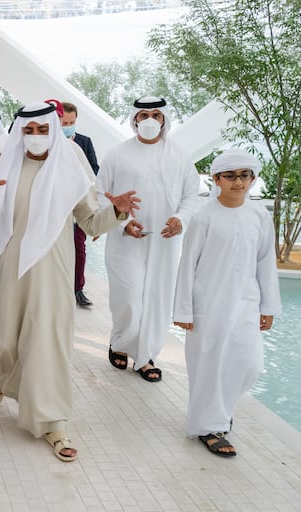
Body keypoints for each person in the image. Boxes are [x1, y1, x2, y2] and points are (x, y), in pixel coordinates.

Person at [0, 102, 139, 462]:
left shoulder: (71, 164)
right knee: (5, 338)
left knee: (46, 342)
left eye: (41, 130)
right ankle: (3, 379)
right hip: (9, 266)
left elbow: (91, 223)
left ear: (53, 129)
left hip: (52, 269)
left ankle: (53, 422)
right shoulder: (7, 165)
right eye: (28, 131)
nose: (34, 137)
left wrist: (118, 211)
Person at [173, 149, 280, 458]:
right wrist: (183, 310)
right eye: (230, 176)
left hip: (246, 303)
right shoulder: (203, 217)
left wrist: (268, 307)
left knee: (250, 364)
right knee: (209, 366)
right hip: (209, 304)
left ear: (253, 179)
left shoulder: (259, 215)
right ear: (216, 179)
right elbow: (187, 264)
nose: (238, 182)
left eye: (245, 175)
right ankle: (209, 426)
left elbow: (265, 263)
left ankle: (218, 413)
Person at [95, 96, 200, 382]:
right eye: (144, 115)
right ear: (135, 120)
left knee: (157, 298)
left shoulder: (179, 154)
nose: (150, 120)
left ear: (164, 119)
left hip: (164, 241)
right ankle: (120, 342)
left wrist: (181, 219)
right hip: (126, 240)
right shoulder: (117, 154)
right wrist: (124, 224)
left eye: (156, 114)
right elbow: (100, 195)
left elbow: (192, 194)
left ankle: (145, 356)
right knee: (128, 298)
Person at [61, 101, 99, 308]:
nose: (67, 126)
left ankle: (78, 289)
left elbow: (93, 171)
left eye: (71, 122)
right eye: (64, 122)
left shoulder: (84, 142)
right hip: (58, 208)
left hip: (78, 206)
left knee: (79, 247)